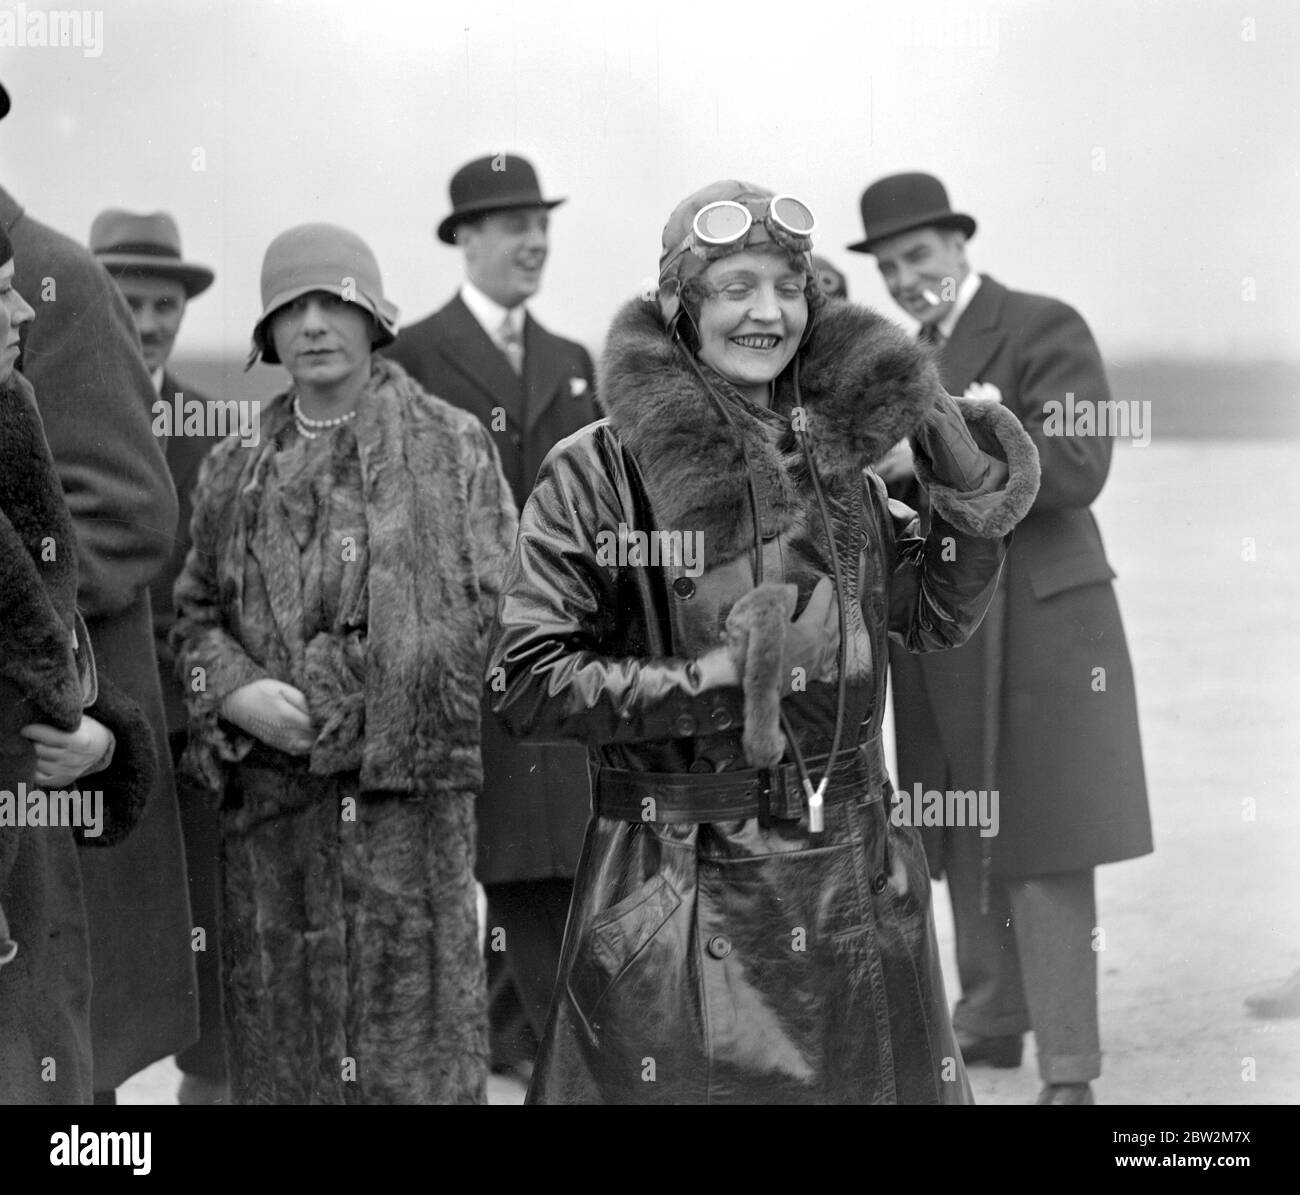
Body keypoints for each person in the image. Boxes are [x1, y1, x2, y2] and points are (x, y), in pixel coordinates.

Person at [486, 180, 1041, 1104]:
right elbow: (526, 680)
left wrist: (956, 461)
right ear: (680, 305)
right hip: (679, 890)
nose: (767, 312)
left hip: (858, 886)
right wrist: (713, 676)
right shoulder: (597, 470)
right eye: (735, 286)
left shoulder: (835, 458)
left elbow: (935, 615)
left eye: (787, 286)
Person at [171, 223, 516, 1104]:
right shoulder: (230, 468)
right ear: (269, 331)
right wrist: (239, 694)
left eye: (336, 303)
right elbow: (194, 617)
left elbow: (486, 613)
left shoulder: (453, 446)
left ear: (374, 320)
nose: (315, 324)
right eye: (293, 307)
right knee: (286, 1063)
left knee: (410, 1066)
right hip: (272, 832)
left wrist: (329, 703)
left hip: (407, 825)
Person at [849, 171, 1152, 1105]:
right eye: (891, 265)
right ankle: (990, 1017)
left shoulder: (1041, 323)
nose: (907, 277)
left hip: (1042, 628)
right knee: (956, 825)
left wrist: (937, 451)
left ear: (959, 245)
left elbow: (1077, 464)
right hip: (946, 625)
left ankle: (1069, 1069)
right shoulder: (895, 356)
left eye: (920, 255)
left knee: (1045, 835)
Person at [0, 84, 197, 1104]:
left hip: (42, 748)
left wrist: (18, 625)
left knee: (52, 1064)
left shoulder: (54, 278)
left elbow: (127, 511)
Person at [385, 153, 597, 1079]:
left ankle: (526, 1045)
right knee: (505, 846)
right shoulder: (413, 354)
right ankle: (535, 1047)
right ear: (465, 239)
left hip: (563, 642)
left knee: (555, 839)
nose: (535, 240)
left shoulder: (573, 361)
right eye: (513, 224)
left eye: (542, 222)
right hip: (464, 646)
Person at [1, 220, 159, 1104]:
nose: (24, 306)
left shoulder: (14, 418)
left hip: (33, 836)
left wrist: (98, 740)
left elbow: (57, 620)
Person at [91, 208, 228, 1105]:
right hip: (87, 734)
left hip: (190, 736)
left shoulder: (215, 424)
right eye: (128, 300)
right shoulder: (50, 406)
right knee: (93, 945)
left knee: (209, 937)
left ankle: (207, 1088)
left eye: (163, 305)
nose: (147, 322)